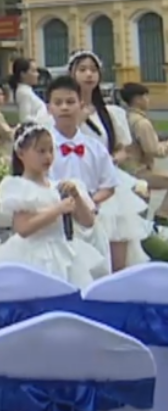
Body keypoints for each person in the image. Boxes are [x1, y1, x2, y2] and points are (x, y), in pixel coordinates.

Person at [67, 51, 148, 271]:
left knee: (117, 256)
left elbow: (123, 149)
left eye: (93, 70)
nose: (88, 75)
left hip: (108, 182)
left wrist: (112, 160)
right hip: (77, 184)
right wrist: (78, 118)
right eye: (82, 69)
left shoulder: (109, 113)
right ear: (72, 73)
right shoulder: (64, 111)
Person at [0, 123, 103, 285]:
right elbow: (23, 228)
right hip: (32, 255)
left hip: (61, 251)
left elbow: (88, 222)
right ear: (21, 153)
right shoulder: (20, 187)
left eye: (51, 150)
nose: (48, 157)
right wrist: (57, 209)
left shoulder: (58, 187)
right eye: (41, 151)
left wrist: (76, 197)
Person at [46, 75, 126, 277]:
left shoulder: (95, 147)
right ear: (49, 108)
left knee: (94, 274)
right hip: (53, 222)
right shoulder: (42, 148)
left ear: (81, 105)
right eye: (58, 103)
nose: (64, 107)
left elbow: (109, 185)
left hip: (89, 221)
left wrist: (89, 200)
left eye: (70, 102)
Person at [12, 57, 52, 128]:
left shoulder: (27, 91)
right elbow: (24, 119)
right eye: (33, 71)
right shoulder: (23, 93)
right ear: (23, 74)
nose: (37, 74)